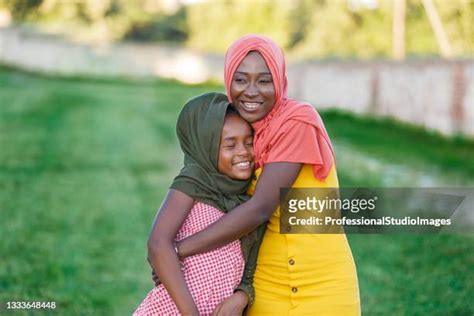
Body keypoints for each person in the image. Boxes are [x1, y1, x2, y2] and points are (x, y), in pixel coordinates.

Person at [175, 35, 361, 315]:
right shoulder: (235, 137)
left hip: (323, 287)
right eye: (241, 80)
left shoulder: (297, 122)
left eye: (264, 80)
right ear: (228, 81)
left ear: (279, 80)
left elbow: (259, 209)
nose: (251, 91)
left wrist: (178, 250)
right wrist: (242, 293)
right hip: (264, 290)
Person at [134, 93, 262, 315]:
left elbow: (251, 269)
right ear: (207, 149)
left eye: (249, 142)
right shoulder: (194, 182)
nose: (243, 151)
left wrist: (242, 296)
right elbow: (158, 244)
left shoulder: (252, 204)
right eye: (230, 145)